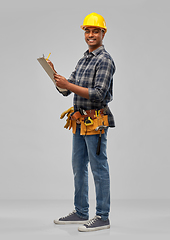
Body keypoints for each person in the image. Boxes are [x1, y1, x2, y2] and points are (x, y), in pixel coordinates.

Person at [48, 12, 116, 232]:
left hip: (95, 122)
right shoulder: (83, 59)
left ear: (103, 33)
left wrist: (68, 85)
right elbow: (67, 92)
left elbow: (97, 94)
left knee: (99, 168)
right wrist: (55, 77)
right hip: (79, 123)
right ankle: (81, 211)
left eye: (95, 31)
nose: (90, 34)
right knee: (78, 167)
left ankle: (103, 216)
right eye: (87, 30)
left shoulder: (105, 60)